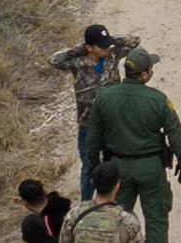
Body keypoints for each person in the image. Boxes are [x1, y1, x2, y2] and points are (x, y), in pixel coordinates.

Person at [87, 47, 181, 243]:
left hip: (117, 168)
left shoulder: (104, 97)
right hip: (150, 166)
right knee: (155, 219)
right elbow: (175, 133)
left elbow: (93, 139)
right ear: (144, 75)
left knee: (117, 221)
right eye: (151, 69)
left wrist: (95, 168)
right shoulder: (158, 99)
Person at [50, 24, 140, 200]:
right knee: (89, 167)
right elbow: (54, 60)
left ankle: (113, 203)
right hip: (88, 125)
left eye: (108, 45)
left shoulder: (112, 56)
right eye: (102, 46)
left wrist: (111, 39)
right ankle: (86, 203)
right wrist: (79, 49)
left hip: (113, 123)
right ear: (89, 47)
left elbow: (134, 41)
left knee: (114, 165)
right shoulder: (77, 63)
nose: (107, 48)